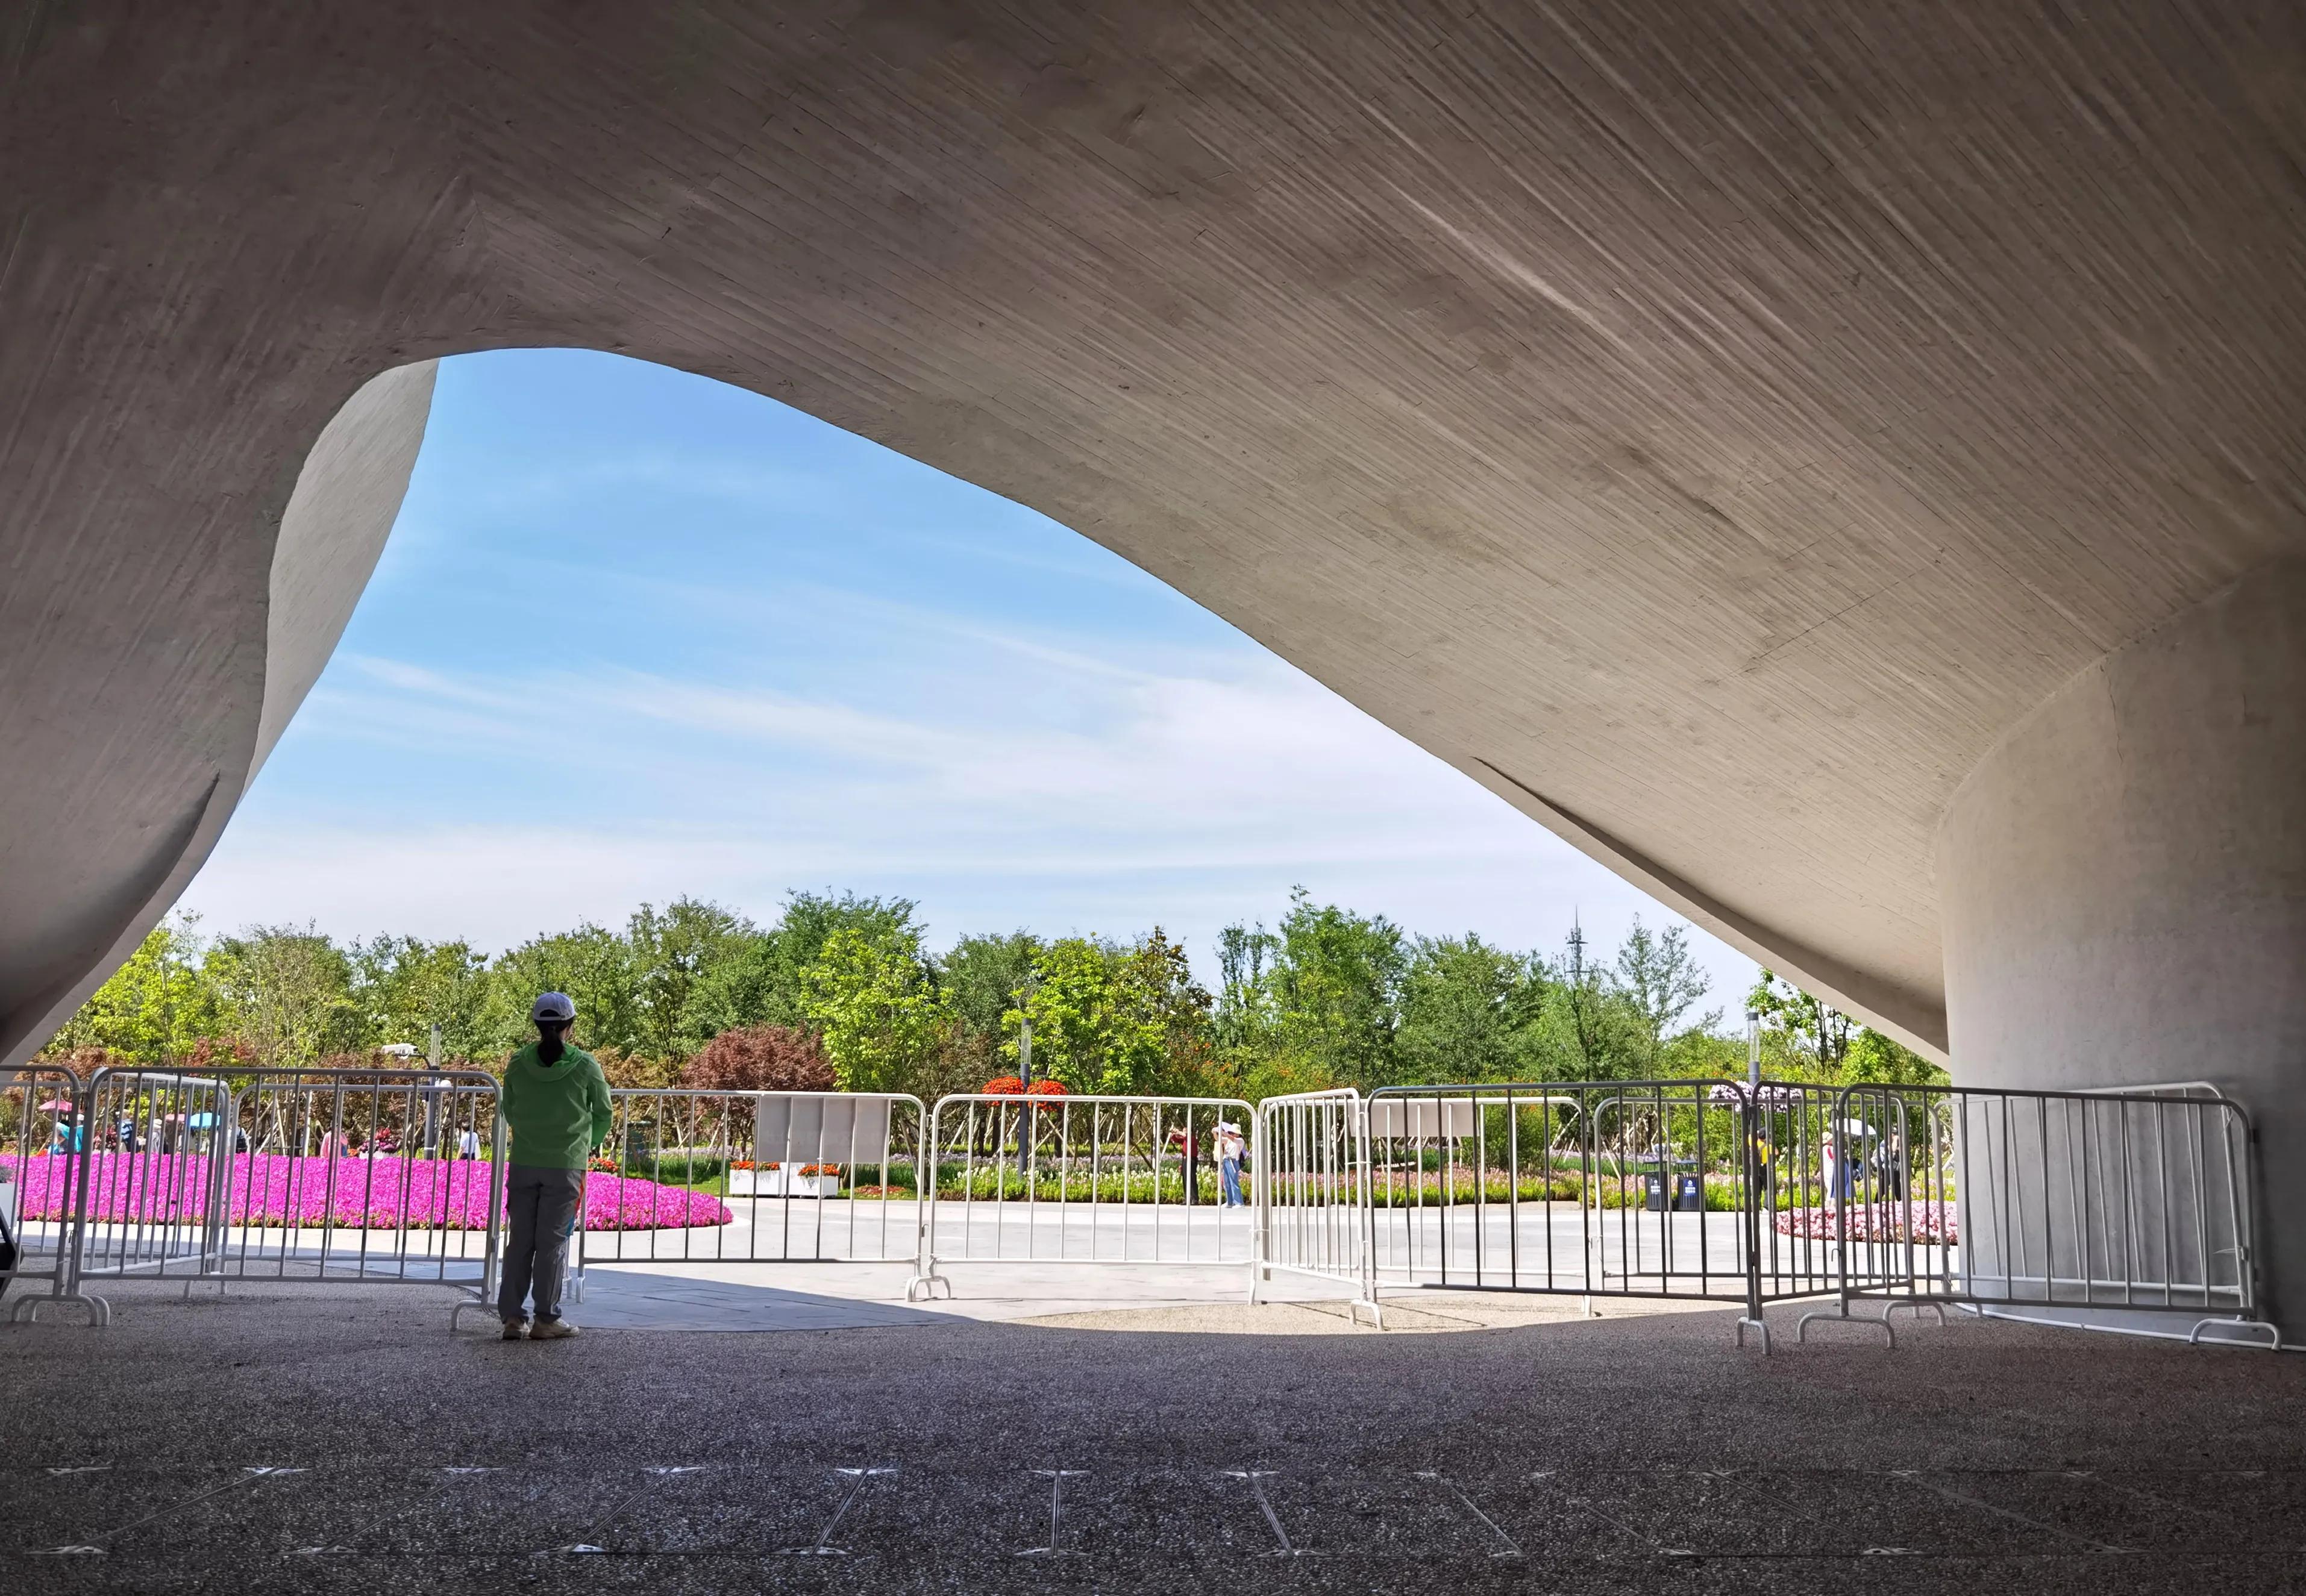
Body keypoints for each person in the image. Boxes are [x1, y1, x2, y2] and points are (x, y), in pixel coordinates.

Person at [498, 992, 611, 1342]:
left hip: (524, 1163)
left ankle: (513, 1320)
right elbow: (603, 1113)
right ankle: (547, 1318)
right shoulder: (585, 1065)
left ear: (536, 1025)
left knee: (519, 1241)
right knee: (552, 1244)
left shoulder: (518, 1063)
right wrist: (585, 1144)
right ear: (570, 1027)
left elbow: (510, 1110)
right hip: (566, 1166)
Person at [1215, 1120, 1248, 1208]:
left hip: (1233, 1161)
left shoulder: (1240, 1141)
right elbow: (1219, 1139)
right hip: (1226, 1160)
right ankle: (1229, 1202)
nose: (1232, 1134)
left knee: (1234, 1182)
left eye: (1233, 1133)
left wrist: (1224, 1133)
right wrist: (1215, 1132)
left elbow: (1232, 1139)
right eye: (1231, 1132)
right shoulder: (1228, 1140)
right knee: (1227, 1182)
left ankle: (1239, 1202)